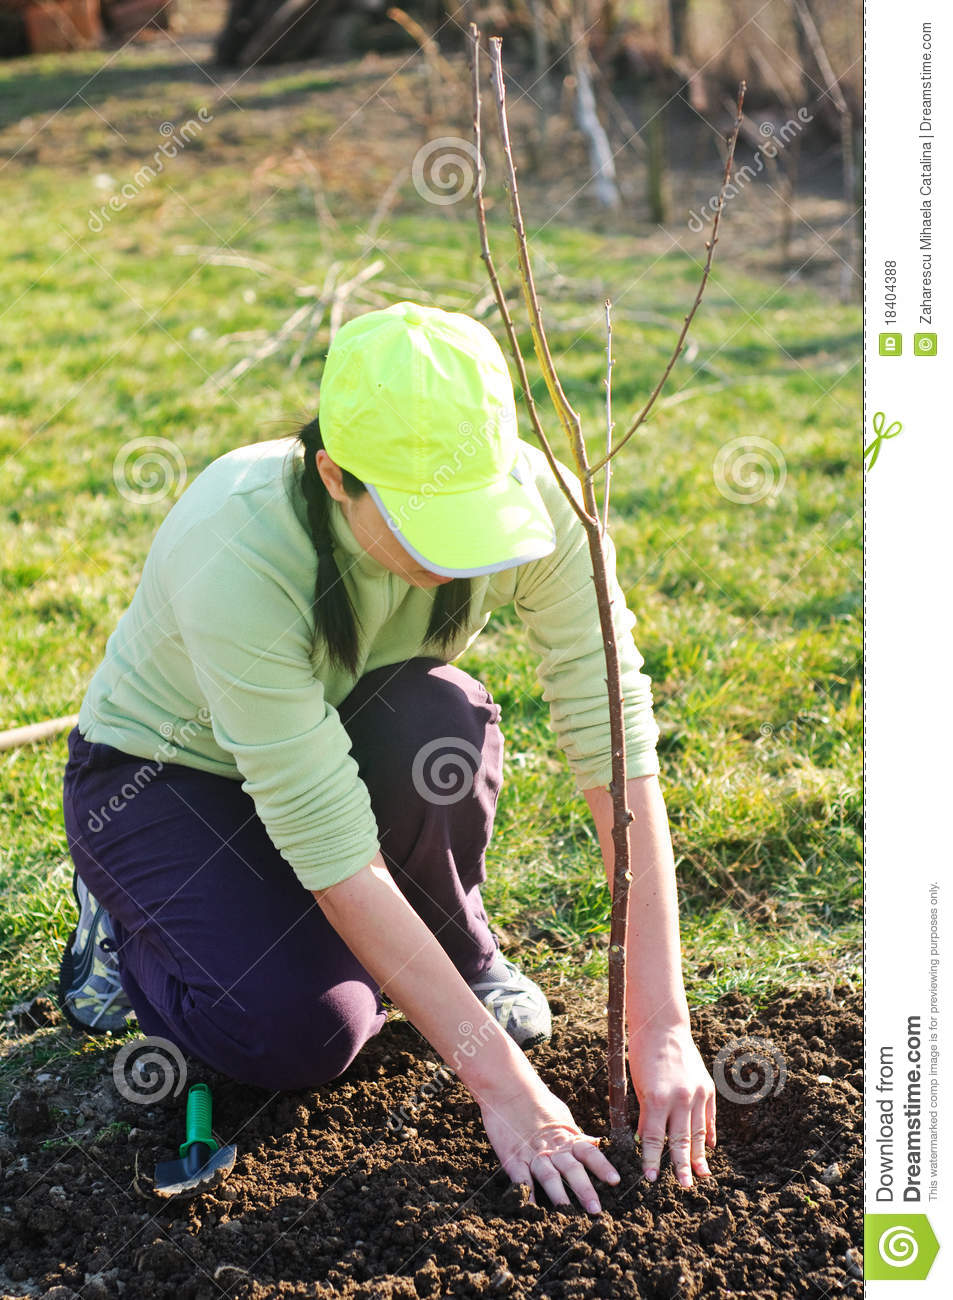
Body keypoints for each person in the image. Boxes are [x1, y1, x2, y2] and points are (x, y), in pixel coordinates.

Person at [58, 300, 716, 1213]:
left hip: (345, 745)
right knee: (300, 1037)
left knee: (433, 723)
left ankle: (451, 951)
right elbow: (325, 836)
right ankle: (134, 927)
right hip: (169, 782)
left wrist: (662, 1025)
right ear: (334, 475)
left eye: (469, 515)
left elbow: (617, 745)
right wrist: (509, 1093)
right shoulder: (239, 541)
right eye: (420, 522)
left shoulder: (541, 502)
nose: (452, 555)